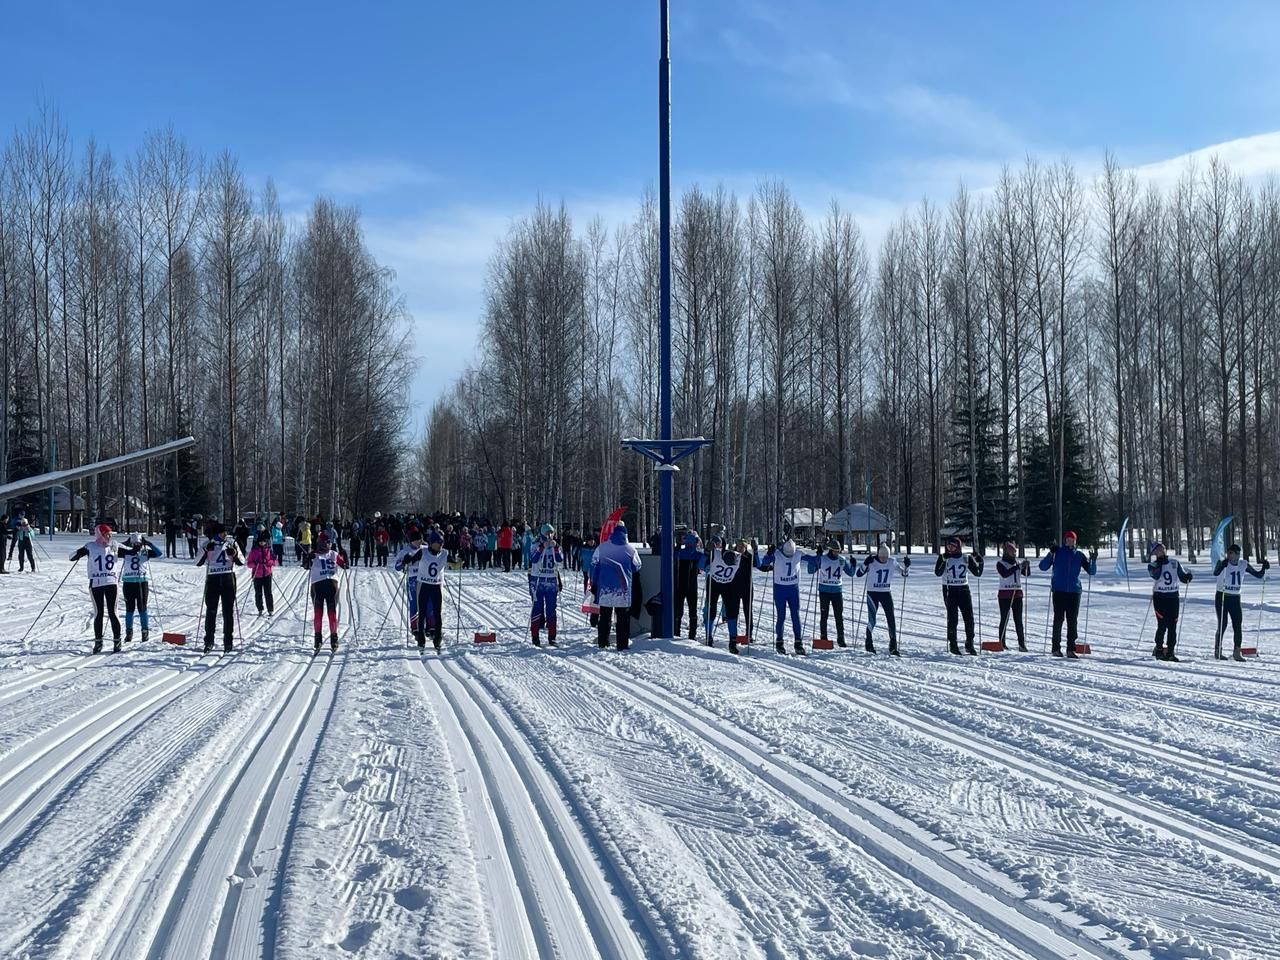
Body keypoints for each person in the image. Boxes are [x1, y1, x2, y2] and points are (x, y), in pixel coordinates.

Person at [1038, 531, 1097, 658]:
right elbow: (1042, 566)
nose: (1070, 541)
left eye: (1072, 540)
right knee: (1058, 619)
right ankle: (1055, 648)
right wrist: (1050, 553)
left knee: (1072, 621)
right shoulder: (1057, 552)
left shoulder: (1079, 555)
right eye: (1068, 539)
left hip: (1074, 592)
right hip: (1059, 591)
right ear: (1065, 540)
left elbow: (1091, 572)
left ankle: (1071, 649)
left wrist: (1093, 560)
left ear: (1075, 541)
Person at [69, 523, 122, 653]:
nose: (109, 537)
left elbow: (131, 551)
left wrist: (138, 543)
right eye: (106, 534)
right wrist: (80, 552)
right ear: (100, 534)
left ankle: (117, 641)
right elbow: (71, 557)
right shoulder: (91, 547)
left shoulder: (114, 545)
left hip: (111, 582)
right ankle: (98, 642)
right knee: (98, 613)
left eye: (110, 534)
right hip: (96, 584)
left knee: (113, 612)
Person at [590, 520, 642, 650]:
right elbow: (637, 566)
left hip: (605, 590)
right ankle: (622, 644)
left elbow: (594, 567)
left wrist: (594, 584)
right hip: (623, 590)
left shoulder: (601, 548)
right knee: (623, 618)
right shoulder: (630, 549)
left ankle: (603, 642)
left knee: (605, 616)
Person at [1213, 544, 1268, 661]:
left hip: (1235, 598)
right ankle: (1218, 650)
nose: (1229, 555)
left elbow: (1258, 575)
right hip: (1222, 596)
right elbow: (1215, 573)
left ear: (1238, 555)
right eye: (1228, 553)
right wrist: (1222, 566)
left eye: (1232, 553)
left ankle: (1237, 651)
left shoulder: (1243, 564)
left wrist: (1264, 567)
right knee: (1222, 624)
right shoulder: (1223, 563)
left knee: (1237, 625)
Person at [196, 523, 244, 653]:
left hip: (228, 577)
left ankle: (228, 641)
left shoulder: (231, 543)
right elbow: (197, 562)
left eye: (225, 532)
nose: (225, 535)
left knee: (228, 611)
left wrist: (234, 554)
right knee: (211, 611)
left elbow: (242, 561)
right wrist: (206, 551)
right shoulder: (207, 544)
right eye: (223, 533)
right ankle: (209, 641)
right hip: (213, 578)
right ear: (217, 533)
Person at [856, 543, 908, 655]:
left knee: (891, 618)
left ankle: (893, 645)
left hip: (886, 593)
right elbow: (858, 574)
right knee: (872, 619)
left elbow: (904, 574)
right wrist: (865, 564)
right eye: (881, 557)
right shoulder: (872, 561)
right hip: (872, 593)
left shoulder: (892, 561)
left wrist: (907, 566)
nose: (883, 559)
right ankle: (869, 643)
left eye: (885, 557)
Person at [934, 537, 984, 655]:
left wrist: (980, 561)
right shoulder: (945, 557)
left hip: (963, 589)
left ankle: (969, 643)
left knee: (969, 618)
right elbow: (938, 572)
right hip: (949, 589)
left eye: (952, 546)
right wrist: (942, 559)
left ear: (958, 546)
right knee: (953, 618)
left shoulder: (966, 558)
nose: (950, 548)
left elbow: (977, 573)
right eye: (948, 546)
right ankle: (953, 644)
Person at [758, 538, 806, 655]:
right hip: (782, 589)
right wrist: (769, 553)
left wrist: (819, 555)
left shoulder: (791, 553)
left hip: (790, 588)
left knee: (794, 615)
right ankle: (780, 641)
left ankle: (798, 642)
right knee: (782, 616)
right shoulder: (778, 554)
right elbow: (764, 564)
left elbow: (765, 562)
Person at [1148, 541, 1193, 661]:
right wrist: (1160, 564)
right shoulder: (1153, 565)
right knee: (1162, 625)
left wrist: (1188, 577)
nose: (1161, 551)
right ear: (1154, 553)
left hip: (1173, 597)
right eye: (1157, 550)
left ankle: (1170, 651)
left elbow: (1182, 576)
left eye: (1162, 548)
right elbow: (1155, 575)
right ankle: (1158, 649)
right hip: (1160, 597)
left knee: (1172, 625)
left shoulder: (1174, 563)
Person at [305, 532, 347, 653]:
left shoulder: (333, 554)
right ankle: (318, 638)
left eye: (328, 542)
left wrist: (344, 556)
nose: (326, 545)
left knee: (331, 612)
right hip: (318, 585)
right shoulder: (314, 554)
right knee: (318, 613)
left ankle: (334, 638)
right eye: (325, 542)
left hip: (331, 585)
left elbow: (344, 565)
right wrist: (308, 559)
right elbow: (306, 566)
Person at [118, 532, 162, 642]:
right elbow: (115, 549)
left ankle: (145, 631)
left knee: (142, 608)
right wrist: (126, 544)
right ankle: (129, 632)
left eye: (138, 543)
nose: (136, 545)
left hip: (141, 582)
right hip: (128, 582)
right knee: (129, 609)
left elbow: (159, 553)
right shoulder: (126, 551)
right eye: (134, 543)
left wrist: (149, 543)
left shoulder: (145, 551)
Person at [527, 524, 564, 646]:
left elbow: (559, 560)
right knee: (537, 608)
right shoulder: (536, 543)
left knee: (551, 609)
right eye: (547, 532)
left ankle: (552, 636)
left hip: (551, 580)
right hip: (537, 579)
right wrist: (542, 547)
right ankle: (535, 636)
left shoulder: (554, 544)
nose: (550, 535)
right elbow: (534, 559)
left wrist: (557, 548)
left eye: (551, 532)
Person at [413, 531, 448, 651]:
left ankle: (437, 639)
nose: (440, 545)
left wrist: (460, 560)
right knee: (421, 613)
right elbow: (412, 560)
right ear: (431, 543)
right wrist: (406, 560)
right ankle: (421, 639)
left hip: (436, 587)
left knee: (437, 614)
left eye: (441, 542)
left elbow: (454, 563)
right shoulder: (423, 552)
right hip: (424, 585)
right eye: (438, 543)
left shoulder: (444, 553)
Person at [995, 541, 1031, 652]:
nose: (1013, 553)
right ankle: (1002, 642)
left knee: (1018, 620)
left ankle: (1021, 644)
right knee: (1004, 619)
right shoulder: (1000, 563)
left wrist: (1026, 566)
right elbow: (1005, 574)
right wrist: (1018, 567)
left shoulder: (1017, 563)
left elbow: (1026, 574)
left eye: (1014, 551)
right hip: (1005, 594)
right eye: (1011, 551)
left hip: (1017, 593)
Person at [393, 525, 426, 636]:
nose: (419, 542)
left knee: (427, 603)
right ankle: (414, 627)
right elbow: (397, 567)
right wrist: (403, 562)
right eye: (417, 540)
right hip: (412, 578)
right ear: (412, 541)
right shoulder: (405, 550)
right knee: (414, 604)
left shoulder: (425, 548)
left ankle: (427, 626)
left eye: (420, 540)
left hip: (426, 579)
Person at [674, 530, 702, 640]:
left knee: (679, 611)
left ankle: (677, 632)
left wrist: (677, 546)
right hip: (691, 587)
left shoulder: (680, 553)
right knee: (692, 611)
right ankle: (691, 635)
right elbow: (705, 563)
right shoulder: (697, 554)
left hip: (681, 585)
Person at [246, 531, 276, 616]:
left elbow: (274, 561)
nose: (262, 543)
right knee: (258, 593)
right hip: (257, 575)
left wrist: (267, 562)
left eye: (263, 541)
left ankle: (270, 609)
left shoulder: (269, 550)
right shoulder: (254, 551)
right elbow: (249, 563)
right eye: (260, 541)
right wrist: (255, 564)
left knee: (268, 592)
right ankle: (260, 609)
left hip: (267, 574)